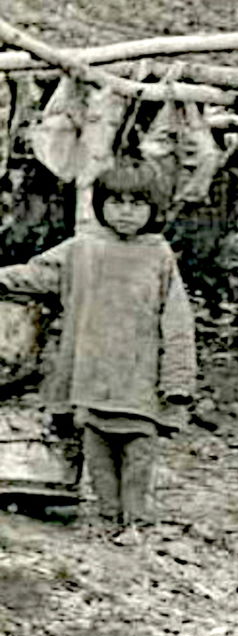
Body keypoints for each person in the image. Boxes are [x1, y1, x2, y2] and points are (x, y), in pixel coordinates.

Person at [0, 159, 196, 539]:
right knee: (98, 451)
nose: (125, 212)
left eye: (136, 204)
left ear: (152, 209)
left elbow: (177, 321)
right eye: (117, 202)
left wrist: (177, 379)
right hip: (91, 373)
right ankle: (108, 519)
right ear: (101, 204)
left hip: (139, 377)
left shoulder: (158, 255)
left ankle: (135, 520)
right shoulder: (84, 249)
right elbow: (39, 274)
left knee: (138, 453)